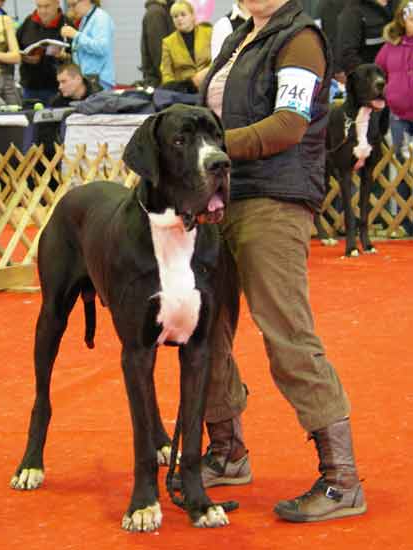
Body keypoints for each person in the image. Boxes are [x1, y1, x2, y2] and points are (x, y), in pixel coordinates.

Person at [197, 0, 367, 523]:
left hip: (273, 200)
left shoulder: (300, 39)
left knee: (286, 334)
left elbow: (289, 125)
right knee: (207, 330)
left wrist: (209, 147)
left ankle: (342, 480)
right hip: (222, 200)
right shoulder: (239, 38)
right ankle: (227, 452)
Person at [375, 0, 413, 234]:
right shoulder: (390, 46)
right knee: (401, 167)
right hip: (399, 116)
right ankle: (404, 222)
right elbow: (378, 73)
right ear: (402, 19)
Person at [16, 0, 70, 104]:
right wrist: (24, 57)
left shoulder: (67, 25)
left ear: (57, 3)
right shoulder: (28, 21)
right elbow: (16, 48)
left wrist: (63, 56)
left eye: (47, 6)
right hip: (29, 86)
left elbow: (77, 58)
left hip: (58, 88)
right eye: (39, 6)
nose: (42, 11)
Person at [60, 0, 115, 90]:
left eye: (73, 5)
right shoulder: (86, 19)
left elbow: (101, 48)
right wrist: (68, 55)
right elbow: (84, 51)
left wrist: (75, 35)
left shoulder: (101, 18)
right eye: (69, 6)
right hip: (88, 78)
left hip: (99, 80)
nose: (71, 10)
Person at [160, 0, 212, 92]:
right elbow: (166, 74)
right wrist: (175, 88)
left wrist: (205, 75)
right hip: (184, 90)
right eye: (175, 16)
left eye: (183, 15)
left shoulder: (209, 33)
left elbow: (218, 59)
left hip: (209, 84)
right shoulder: (168, 42)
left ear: (192, 16)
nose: (179, 19)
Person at [337, 0, 400, 74]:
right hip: (373, 76)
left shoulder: (400, 4)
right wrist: (373, 76)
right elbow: (347, 55)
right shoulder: (352, 12)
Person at [139, 0, 175, 87]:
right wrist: (171, 83)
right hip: (160, 82)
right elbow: (158, 53)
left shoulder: (165, 10)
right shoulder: (156, 13)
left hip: (164, 80)